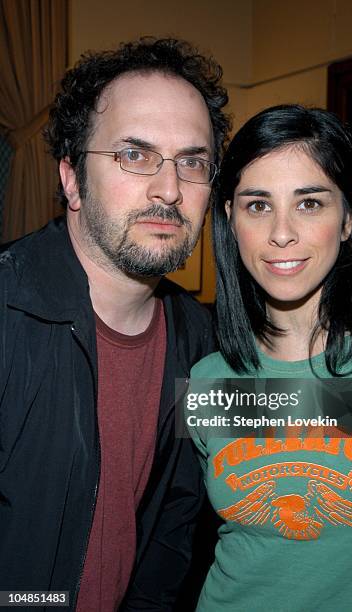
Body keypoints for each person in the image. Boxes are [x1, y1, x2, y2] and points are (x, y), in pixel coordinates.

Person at [0, 37, 230, 611]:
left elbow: (314, 415)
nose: (170, 189)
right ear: (72, 179)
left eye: (193, 162)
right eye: (134, 155)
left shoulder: (197, 337)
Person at [188, 104, 352, 611]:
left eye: (310, 203)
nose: (281, 232)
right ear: (230, 220)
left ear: (349, 217)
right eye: (257, 205)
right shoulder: (210, 380)